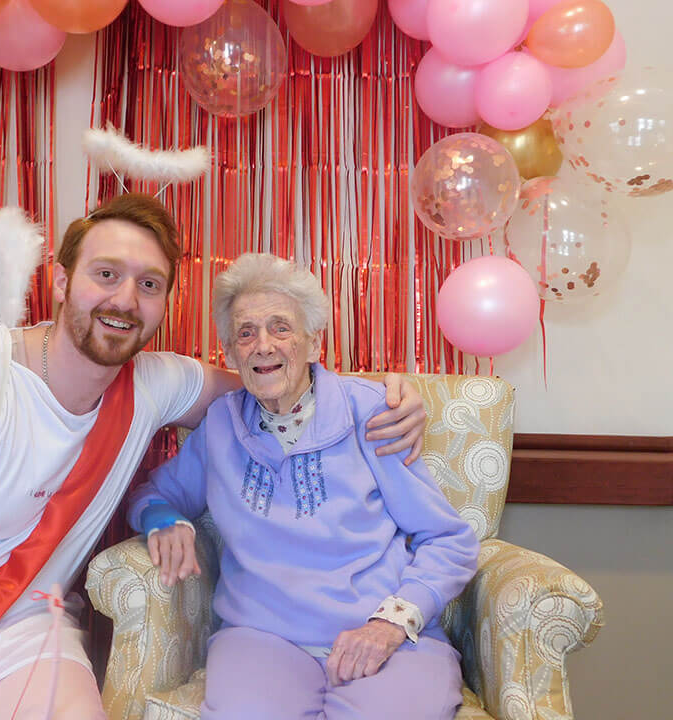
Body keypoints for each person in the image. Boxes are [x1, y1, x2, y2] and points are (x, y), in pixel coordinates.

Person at [0, 195, 428, 720]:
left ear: (163, 306)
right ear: (62, 280)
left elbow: (282, 380)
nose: (125, 299)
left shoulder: (155, 383)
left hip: (14, 639)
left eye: (148, 285)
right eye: (106, 274)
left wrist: (392, 394)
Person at [127, 253, 479, 720]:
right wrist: (163, 520)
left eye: (281, 328)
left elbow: (448, 539)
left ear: (313, 343)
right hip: (261, 639)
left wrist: (393, 622)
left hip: (381, 632)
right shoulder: (220, 425)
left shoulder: (374, 414)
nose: (263, 345)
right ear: (231, 355)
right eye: (246, 333)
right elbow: (152, 494)